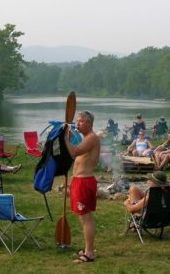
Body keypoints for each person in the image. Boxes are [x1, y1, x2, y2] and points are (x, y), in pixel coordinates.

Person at [64, 110, 100, 263]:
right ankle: (88, 248)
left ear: (89, 124)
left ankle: (89, 253)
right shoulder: (86, 138)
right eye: (77, 121)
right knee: (84, 218)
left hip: (84, 182)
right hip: (79, 182)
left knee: (86, 219)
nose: (77, 124)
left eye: (80, 121)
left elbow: (75, 152)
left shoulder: (92, 138)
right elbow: (76, 155)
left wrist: (65, 138)